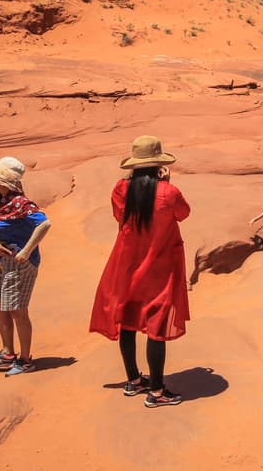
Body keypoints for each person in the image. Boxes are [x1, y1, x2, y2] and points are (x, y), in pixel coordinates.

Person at [89, 135, 191, 408]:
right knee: (156, 327)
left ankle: (133, 380)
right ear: (159, 163)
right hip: (158, 267)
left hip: (127, 264)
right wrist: (165, 184)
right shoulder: (169, 192)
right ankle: (157, 391)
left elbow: (119, 217)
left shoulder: (121, 189)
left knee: (129, 319)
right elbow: (183, 214)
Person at [0, 156, 51, 377]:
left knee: (18, 311)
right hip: (4, 262)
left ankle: (26, 360)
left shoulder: (21, 204)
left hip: (20, 263)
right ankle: (8, 354)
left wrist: (27, 250)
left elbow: (44, 223)